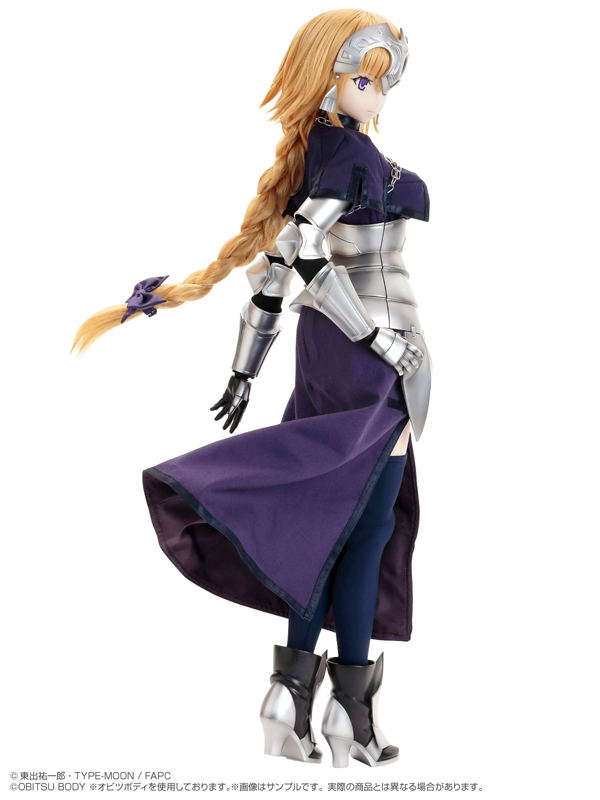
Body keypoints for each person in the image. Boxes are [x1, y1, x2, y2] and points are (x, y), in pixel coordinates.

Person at [72, 9, 431, 769]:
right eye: (369, 80)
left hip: (331, 354)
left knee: (326, 521)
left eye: (385, 83)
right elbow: (302, 255)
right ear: (331, 79)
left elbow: (273, 274)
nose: (380, 95)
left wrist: (244, 371)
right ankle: (352, 719)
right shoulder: (347, 155)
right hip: (378, 355)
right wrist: (377, 342)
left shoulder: (323, 153)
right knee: (366, 530)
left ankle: (290, 704)